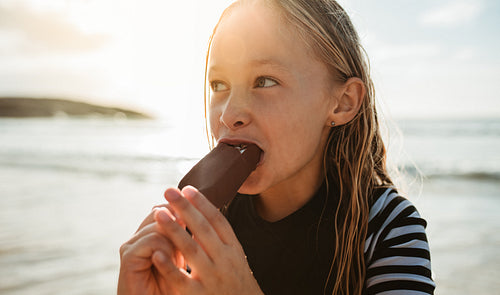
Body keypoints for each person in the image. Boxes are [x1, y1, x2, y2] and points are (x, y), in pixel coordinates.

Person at [118, 0, 436, 294]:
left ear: (342, 102)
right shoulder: (201, 228)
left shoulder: (388, 227)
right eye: (219, 85)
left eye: (265, 81)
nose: (229, 114)